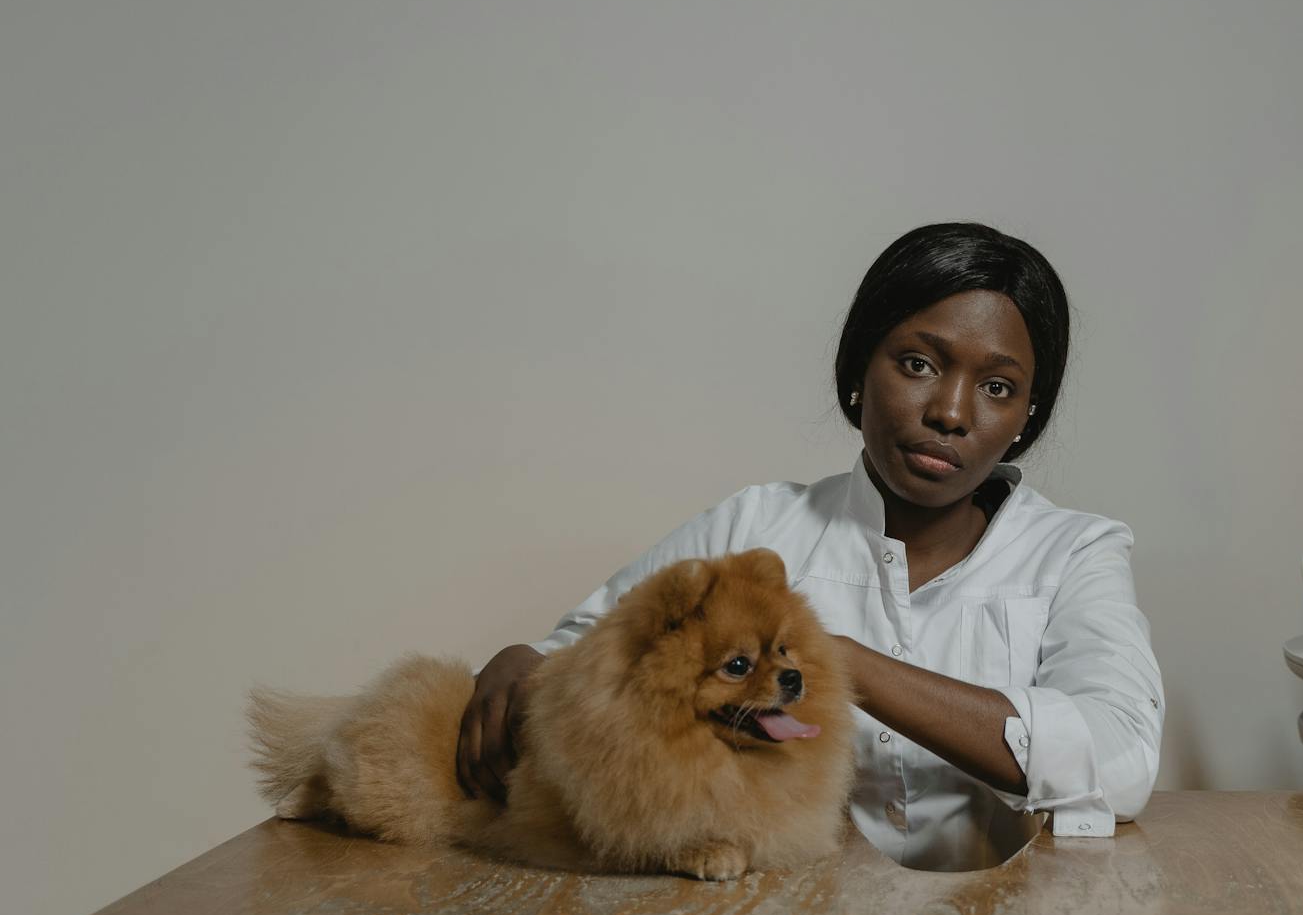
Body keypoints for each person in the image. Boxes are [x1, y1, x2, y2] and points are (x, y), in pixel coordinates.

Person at [456, 222, 1165, 871]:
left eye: (999, 386)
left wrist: (839, 662)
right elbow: (599, 654)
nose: (951, 411)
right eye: (918, 364)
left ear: (1026, 416)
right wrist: (527, 661)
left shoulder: (1075, 552)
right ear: (860, 368)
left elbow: (1122, 761)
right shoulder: (756, 526)